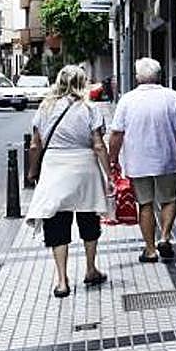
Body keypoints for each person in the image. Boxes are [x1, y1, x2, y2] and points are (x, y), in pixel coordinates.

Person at [25, 65, 113, 297]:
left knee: (57, 223)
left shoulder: (45, 108)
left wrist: (33, 170)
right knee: (89, 219)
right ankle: (91, 269)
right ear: (82, 83)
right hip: (85, 168)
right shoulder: (89, 109)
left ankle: (62, 281)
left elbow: (35, 144)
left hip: (55, 167)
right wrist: (109, 174)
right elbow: (98, 144)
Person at [108, 57, 176, 263]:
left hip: (138, 162)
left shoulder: (127, 100)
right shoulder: (173, 97)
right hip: (168, 159)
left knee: (145, 204)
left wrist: (113, 159)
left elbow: (117, 134)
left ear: (138, 77)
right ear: (158, 75)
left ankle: (150, 249)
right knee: (170, 199)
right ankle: (164, 236)